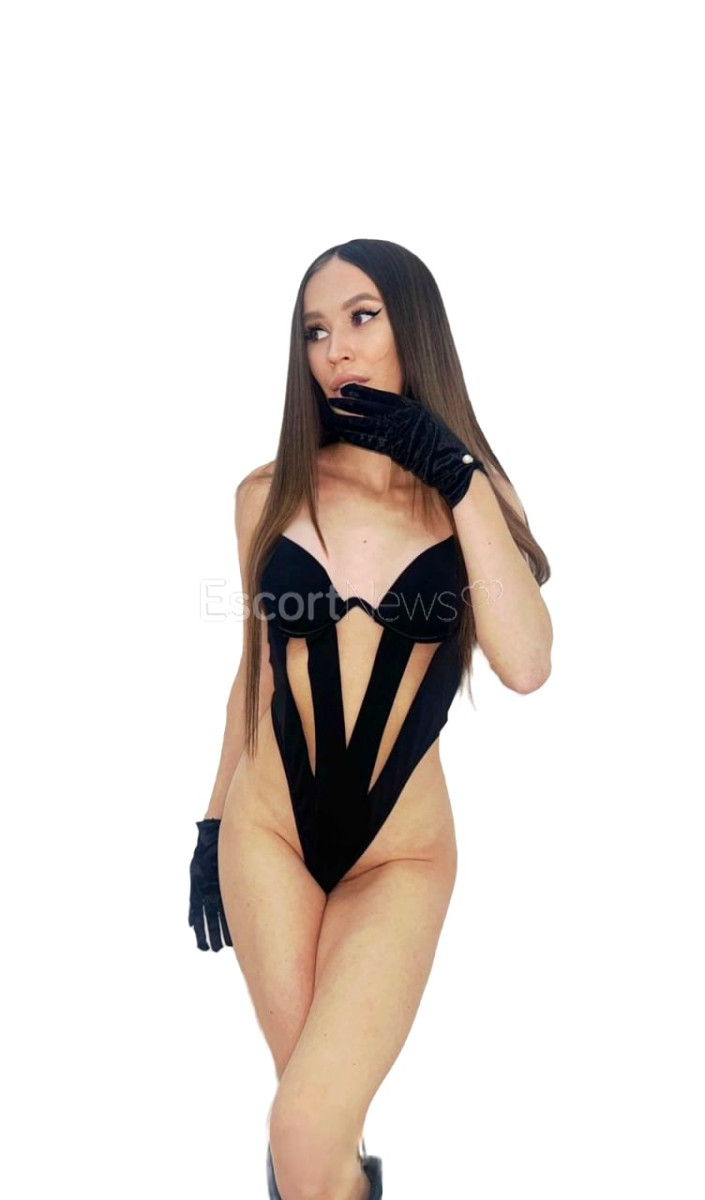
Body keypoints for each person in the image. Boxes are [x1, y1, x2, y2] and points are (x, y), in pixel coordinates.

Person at [188, 238, 553, 1200]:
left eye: (361, 317)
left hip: (398, 855)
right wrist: (213, 824)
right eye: (314, 330)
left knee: (306, 1130)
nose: (336, 349)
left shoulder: (471, 499)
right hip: (269, 835)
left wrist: (458, 473)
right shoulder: (266, 494)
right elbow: (252, 674)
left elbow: (525, 665)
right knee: (312, 1140)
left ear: (412, 327)